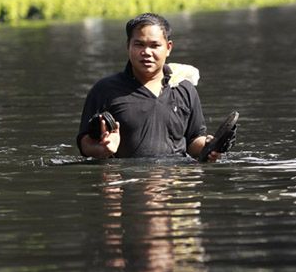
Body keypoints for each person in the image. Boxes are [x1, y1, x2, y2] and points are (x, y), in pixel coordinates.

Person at [76, 12, 222, 162]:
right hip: (122, 181)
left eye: (155, 45)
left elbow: (193, 140)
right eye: (139, 44)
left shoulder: (184, 89)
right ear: (128, 46)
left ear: (168, 48)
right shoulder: (105, 89)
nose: (146, 52)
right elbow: (84, 143)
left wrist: (209, 146)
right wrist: (102, 149)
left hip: (174, 180)